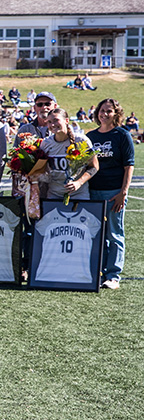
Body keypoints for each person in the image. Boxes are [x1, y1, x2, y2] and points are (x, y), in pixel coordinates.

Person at [87, 98, 134, 289]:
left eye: (109, 111)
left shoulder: (122, 135)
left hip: (114, 192)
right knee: (97, 234)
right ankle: (99, 272)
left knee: (114, 234)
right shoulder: (90, 136)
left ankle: (113, 275)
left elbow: (129, 165)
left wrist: (123, 192)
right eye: (101, 111)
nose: (104, 114)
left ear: (116, 114)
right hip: (93, 192)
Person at [39, 108, 99, 203]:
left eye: (56, 120)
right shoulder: (45, 143)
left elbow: (94, 166)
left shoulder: (81, 140)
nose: (53, 125)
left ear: (66, 120)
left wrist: (79, 182)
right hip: (54, 195)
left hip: (79, 194)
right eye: (49, 122)